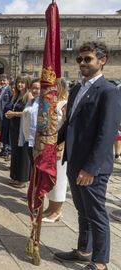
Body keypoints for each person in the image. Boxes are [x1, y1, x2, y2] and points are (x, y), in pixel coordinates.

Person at [55, 42, 121, 270]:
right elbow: (70, 123)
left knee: (96, 213)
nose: (82, 63)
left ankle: (101, 261)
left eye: (87, 59)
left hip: (93, 166)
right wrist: (52, 142)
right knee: (82, 211)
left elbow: (107, 133)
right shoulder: (76, 89)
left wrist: (90, 168)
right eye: (79, 59)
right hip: (74, 161)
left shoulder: (108, 91)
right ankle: (84, 250)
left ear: (102, 60)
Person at [43, 78, 69, 223]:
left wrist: (60, 145)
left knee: (59, 178)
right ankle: (51, 207)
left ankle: (57, 211)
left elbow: (66, 127)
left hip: (59, 146)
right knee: (51, 177)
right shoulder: (53, 102)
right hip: (49, 145)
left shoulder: (64, 104)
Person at [5, 75, 31, 188]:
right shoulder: (16, 95)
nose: (20, 85)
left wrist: (14, 114)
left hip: (23, 128)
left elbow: (30, 112)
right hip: (15, 126)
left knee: (23, 153)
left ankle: (23, 179)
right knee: (15, 151)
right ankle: (15, 176)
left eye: (22, 82)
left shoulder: (28, 96)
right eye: (18, 82)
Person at [0, 74, 13, 159]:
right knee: (2, 132)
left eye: (4, 80)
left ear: (7, 80)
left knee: (7, 132)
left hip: (6, 114)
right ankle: (3, 149)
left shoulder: (9, 89)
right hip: (0, 113)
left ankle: (7, 150)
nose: (2, 82)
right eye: (1, 80)